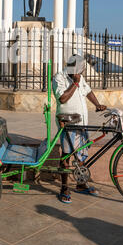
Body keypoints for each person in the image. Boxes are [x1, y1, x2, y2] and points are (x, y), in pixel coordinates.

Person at [52, 54, 107, 203]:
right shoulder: (59, 77)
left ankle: (81, 184)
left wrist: (97, 104)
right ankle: (64, 188)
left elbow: (88, 91)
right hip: (68, 124)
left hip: (82, 123)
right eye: (79, 69)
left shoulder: (79, 78)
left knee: (81, 154)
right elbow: (62, 98)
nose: (81, 73)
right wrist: (74, 84)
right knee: (66, 156)